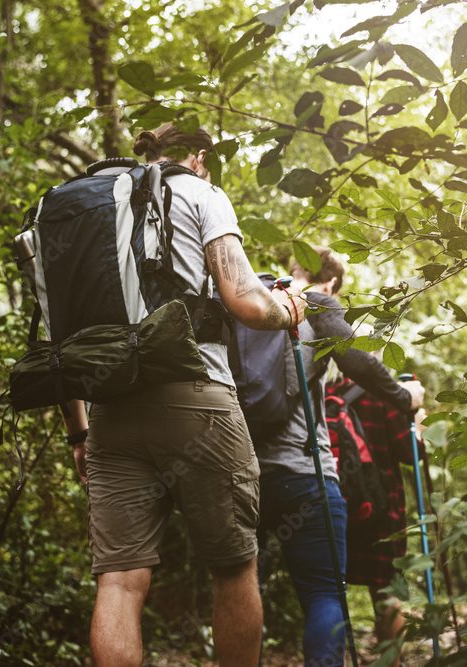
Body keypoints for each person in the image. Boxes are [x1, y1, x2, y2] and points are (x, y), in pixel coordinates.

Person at [63, 123, 306, 667]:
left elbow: (61, 337)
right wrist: (287, 309)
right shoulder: (201, 191)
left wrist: (78, 430)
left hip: (109, 410)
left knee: (120, 582)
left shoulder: (89, 206)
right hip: (197, 397)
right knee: (234, 566)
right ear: (200, 158)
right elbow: (245, 301)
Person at [254, 247, 424, 667]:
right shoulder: (317, 302)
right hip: (304, 473)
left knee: (241, 587)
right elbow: (356, 361)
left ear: (294, 269)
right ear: (330, 283)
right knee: (324, 593)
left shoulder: (248, 295)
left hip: (239, 469)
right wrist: (406, 399)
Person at [327, 376, 427, 667]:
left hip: (336, 506)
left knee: (327, 591)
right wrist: (418, 425)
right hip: (382, 510)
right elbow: (411, 453)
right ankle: (391, 663)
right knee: (385, 590)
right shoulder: (385, 392)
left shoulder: (323, 389)